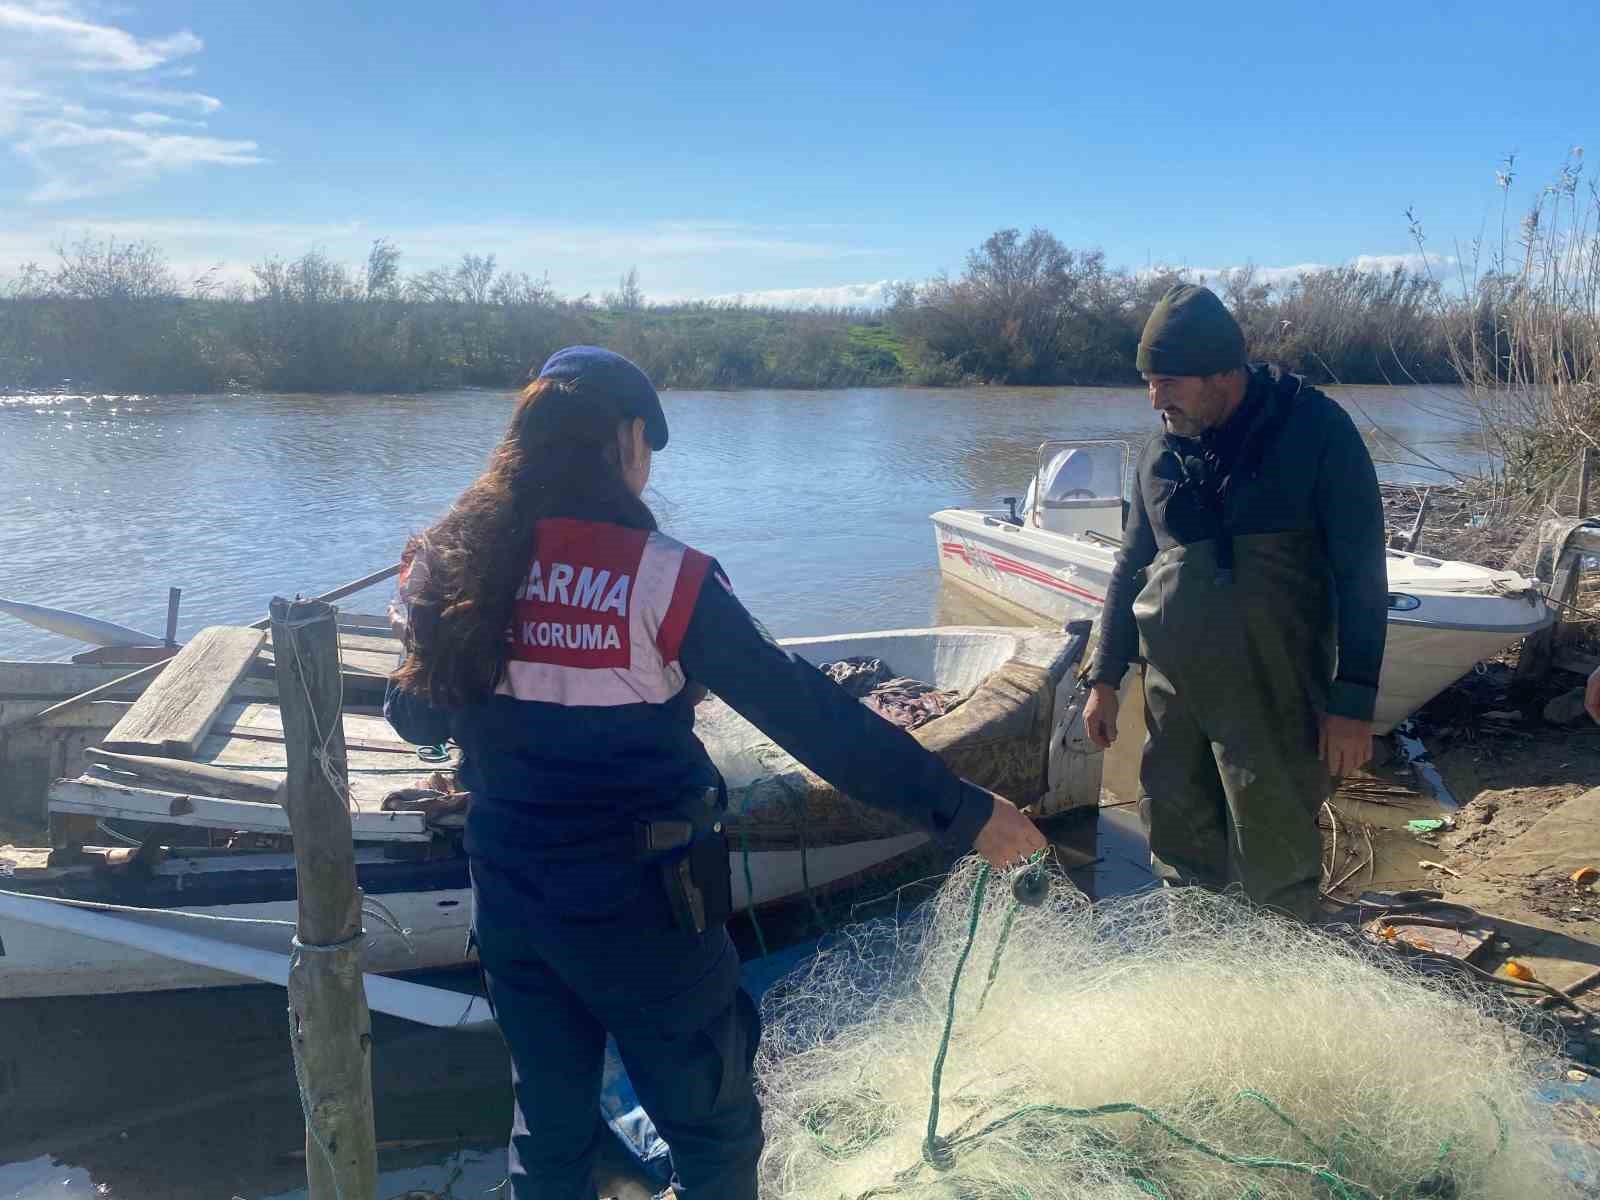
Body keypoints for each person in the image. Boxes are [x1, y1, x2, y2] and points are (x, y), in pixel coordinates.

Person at [383, 346, 1046, 1200]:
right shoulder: (663, 576)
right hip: (647, 909)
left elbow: (415, 716)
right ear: (627, 440)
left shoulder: (448, 563)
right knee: (714, 1133)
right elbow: (807, 714)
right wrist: (959, 810)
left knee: (550, 1130)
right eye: (647, 449)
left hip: (510, 895)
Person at [1081, 284, 1388, 921]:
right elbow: (1130, 567)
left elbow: (1363, 575)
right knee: (1176, 836)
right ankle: (1197, 972)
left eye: (1170, 382)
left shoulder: (1316, 432)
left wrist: (1352, 702)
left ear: (1225, 374)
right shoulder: (1159, 452)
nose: (1156, 398)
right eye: (1148, 382)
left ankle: (1276, 984)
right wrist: (1103, 678)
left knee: (1273, 852)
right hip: (1175, 692)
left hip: (1271, 689)